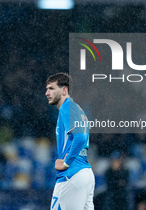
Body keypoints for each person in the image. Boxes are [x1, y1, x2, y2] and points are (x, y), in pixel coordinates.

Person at [45, 73, 95, 210]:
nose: (47, 93)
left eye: (51, 88)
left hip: (72, 174)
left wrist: (66, 163)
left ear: (64, 90)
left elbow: (80, 137)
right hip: (85, 173)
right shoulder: (78, 110)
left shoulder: (66, 108)